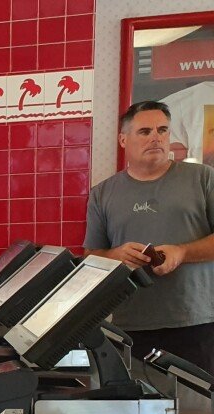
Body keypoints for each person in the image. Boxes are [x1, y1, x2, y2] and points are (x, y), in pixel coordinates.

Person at [84, 100, 214, 374]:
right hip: (131, 326)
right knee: (141, 410)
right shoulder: (102, 193)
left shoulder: (203, 178)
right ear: (123, 139)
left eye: (163, 130)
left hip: (197, 322)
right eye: (145, 131)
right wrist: (115, 256)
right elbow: (91, 255)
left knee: (199, 412)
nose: (156, 137)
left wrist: (182, 253)